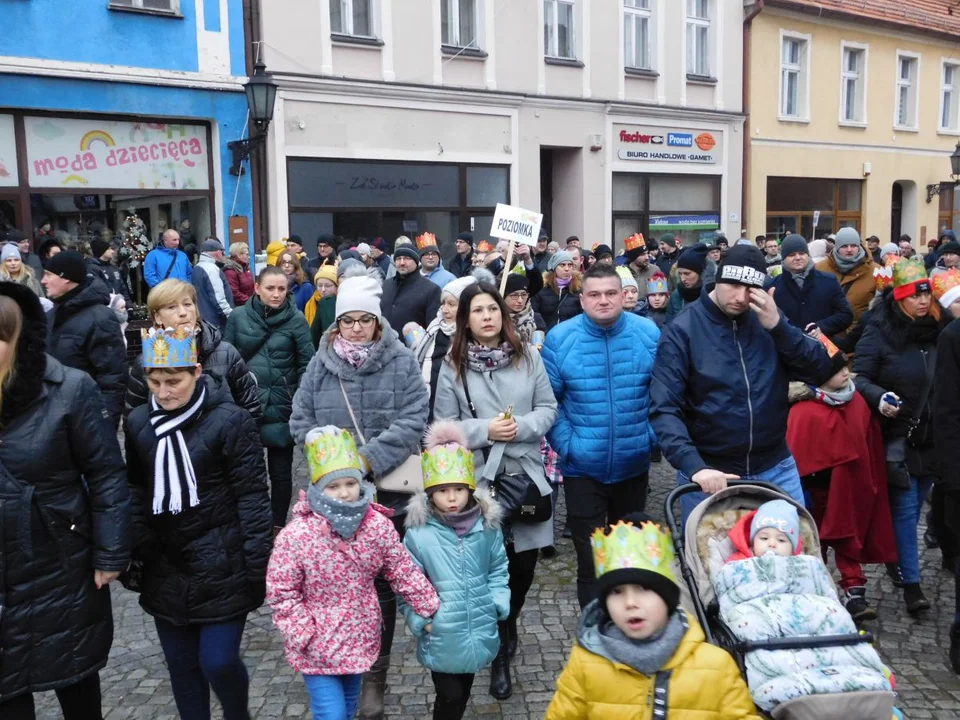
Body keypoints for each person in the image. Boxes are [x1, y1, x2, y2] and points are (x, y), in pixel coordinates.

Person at [288, 273, 430, 718]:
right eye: (347, 320)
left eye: (363, 320)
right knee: (336, 583)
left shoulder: (401, 360)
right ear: (336, 322)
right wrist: (326, 453)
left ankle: (374, 677)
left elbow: (412, 420)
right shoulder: (321, 361)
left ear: (377, 320)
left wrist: (363, 461)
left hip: (386, 489)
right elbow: (299, 419)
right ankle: (338, 666)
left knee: (382, 583)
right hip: (335, 495)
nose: (354, 329)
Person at [124, 326, 272, 720]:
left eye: (173, 381)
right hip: (166, 563)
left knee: (218, 661)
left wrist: (256, 562)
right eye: (154, 382)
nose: (163, 391)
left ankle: (237, 714)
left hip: (222, 558)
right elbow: (136, 488)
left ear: (196, 372)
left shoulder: (231, 421)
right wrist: (140, 543)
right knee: (181, 666)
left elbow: (253, 495)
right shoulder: (139, 422)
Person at [0, 282, 130, 720]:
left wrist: (110, 553)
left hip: (60, 561)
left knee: (74, 678)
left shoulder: (70, 389)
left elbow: (106, 472)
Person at [433, 281, 558, 700]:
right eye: (478, 310)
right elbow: (441, 428)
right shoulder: (453, 367)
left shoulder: (528, 357)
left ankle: (511, 621)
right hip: (479, 483)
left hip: (524, 478)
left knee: (522, 570)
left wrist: (520, 428)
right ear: (465, 319)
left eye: (493, 309)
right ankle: (500, 649)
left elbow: (549, 409)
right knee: (487, 566)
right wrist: (483, 430)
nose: (487, 317)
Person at [651, 245, 834, 522]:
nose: (740, 297)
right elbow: (664, 407)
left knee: (789, 557)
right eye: (733, 285)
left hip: (774, 466)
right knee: (712, 562)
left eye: (750, 289)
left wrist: (778, 327)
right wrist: (694, 466)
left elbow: (820, 370)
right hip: (711, 473)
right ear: (717, 279)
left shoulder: (768, 318)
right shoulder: (683, 330)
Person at [266, 426, 439, 720]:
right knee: (331, 714)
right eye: (333, 486)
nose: (344, 493)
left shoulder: (376, 527)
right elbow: (282, 592)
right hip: (317, 644)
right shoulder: (296, 536)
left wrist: (429, 606)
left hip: (359, 636)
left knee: (347, 709)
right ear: (318, 487)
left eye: (350, 483)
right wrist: (303, 632)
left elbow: (402, 570)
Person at [546, 515, 759, 720]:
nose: (630, 602)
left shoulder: (715, 666)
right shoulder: (586, 664)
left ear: (667, 599)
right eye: (616, 592)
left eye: (643, 588)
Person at [542, 263, 659, 609]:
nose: (603, 301)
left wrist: (649, 438)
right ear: (582, 298)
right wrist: (569, 445)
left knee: (629, 557)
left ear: (624, 296)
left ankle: (628, 627)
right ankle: (593, 631)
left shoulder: (648, 334)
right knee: (590, 560)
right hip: (582, 469)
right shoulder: (560, 339)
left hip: (633, 464)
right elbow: (549, 403)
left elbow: (665, 395)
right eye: (595, 294)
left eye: (611, 293)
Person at [718, 501, 895, 715]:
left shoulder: (807, 565)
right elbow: (729, 600)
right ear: (752, 541)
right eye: (764, 538)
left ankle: (864, 670)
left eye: (782, 540)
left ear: (795, 547)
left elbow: (826, 597)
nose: (772, 544)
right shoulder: (735, 566)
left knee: (835, 619)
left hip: (813, 617)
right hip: (763, 622)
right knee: (751, 624)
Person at [853, 258, 949, 615]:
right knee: (907, 512)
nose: (923, 301)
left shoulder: (945, 330)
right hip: (899, 438)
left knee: (919, 502)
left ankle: (895, 558)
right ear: (898, 299)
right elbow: (859, 377)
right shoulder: (878, 329)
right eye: (914, 295)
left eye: (926, 294)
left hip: (935, 437)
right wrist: (879, 397)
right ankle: (912, 584)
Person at [400, 422, 510, 719]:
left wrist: (496, 603)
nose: (452, 498)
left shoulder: (486, 528)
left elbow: (498, 568)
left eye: (459, 489)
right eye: (443, 490)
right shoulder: (419, 535)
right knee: (450, 694)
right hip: (442, 632)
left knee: (462, 693)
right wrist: (423, 620)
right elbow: (407, 582)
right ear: (431, 493)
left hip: (477, 627)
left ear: (470, 489)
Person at [786, 335, 897, 621]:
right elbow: (797, 452)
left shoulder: (856, 400)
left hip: (850, 486)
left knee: (850, 535)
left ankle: (854, 589)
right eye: (837, 370)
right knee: (815, 538)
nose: (846, 372)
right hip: (816, 489)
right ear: (821, 376)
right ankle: (817, 589)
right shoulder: (803, 411)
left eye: (845, 366)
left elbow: (866, 436)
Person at [225, 267, 314, 529]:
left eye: (282, 289)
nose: (276, 294)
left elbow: (306, 363)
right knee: (247, 473)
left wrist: (297, 399)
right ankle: (250, 525)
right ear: (257, 288)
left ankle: (277, 526)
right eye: (270, 288)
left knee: (281, 474)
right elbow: (226, 361)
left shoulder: (296, 319)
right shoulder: (238, 317)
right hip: (246, 406)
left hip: (282, 406)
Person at [125, 279, 260, 421]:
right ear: (157, 317)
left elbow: (250, 408)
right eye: (171, 307)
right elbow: (134, 418)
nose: (183, 313)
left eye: (188, 304)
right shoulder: (144, 361)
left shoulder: (226, 354)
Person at [42, 251, 127, 428]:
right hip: (56, 420)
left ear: (66, 278)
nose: (43, 281)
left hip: (86, 420)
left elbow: (112, 380)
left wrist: (104, 426)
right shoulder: (52, 316)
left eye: (49, 275)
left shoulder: (100, 318)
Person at [409, 275, 479, 421]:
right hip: (426, 401)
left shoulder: (473, 336)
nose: (445, 310)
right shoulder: (435, 328)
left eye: (452, 304)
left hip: (455, 410)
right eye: (444, 303)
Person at [770, 234, 853, 340]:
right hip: (786, 351)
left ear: (808, 255)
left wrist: (822, 327)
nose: (798, 258)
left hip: (822, 349)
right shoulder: (773, 286)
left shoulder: (828, 281)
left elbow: (845, 315)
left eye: (802, 253)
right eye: (792, 255)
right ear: (783, 258)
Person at [815, 227, 878, 351]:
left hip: (861, 342)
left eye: (853, 245)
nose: (849, 250)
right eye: (844, 246)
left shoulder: (876, 272)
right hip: (825, 341)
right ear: (836, 247)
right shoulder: (819, 269)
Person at [381, 242, 442, 333]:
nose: (402, 263)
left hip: (414, 345)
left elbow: (433, 329)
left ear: (416, 262)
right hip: (384, 345)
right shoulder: (385, 285)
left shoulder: (431, 290)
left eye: (407, 258)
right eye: (398, 259)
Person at [531, 250, 582, 331]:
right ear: (554, 267)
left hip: (571, 337)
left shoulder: (578, 289)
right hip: (547, 335)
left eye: (570, 265)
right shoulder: (542, 288)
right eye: (562, 265)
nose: (567, 269)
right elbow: (535, 313)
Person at [191, 238, 235, 332]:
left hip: (204, 319)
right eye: (222, 252)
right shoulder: (211, 269)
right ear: (218, 252)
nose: (223, 255)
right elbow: (218, 299)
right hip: (215, 322)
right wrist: (232, 317)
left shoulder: (197, 267)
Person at [666, 243, 709, 324]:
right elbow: (668, 325)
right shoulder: (676, 295)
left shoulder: (711, 295)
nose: (682, 279)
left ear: (699, 272)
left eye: (687, 274)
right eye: (680, 274)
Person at [503, 272, 545, 343]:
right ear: (504, 297)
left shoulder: (535, 318)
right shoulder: (498, 319)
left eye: (524, 295)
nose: (520, 300)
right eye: (514, 296)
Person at [86, 237, 131, 303]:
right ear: (102, 251)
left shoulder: (114, 268)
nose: (112, 251)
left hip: (119, 307)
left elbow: (122, 288)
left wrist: (128, 305)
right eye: (109, 249)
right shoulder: (92, 268)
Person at [307, 265, 340, 348]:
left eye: (328, 286)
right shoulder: (311, 302)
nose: (323, 289)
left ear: (337, 286)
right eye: (319, 285)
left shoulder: (334, 302)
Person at [223, 241, 255, 306]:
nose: (249, 257)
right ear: (239, 255)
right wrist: (250, 301)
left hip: (249, 305)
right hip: (240, 307)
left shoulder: (246, 268)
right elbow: (234, 293)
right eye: (247, 254)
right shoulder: (230, 271)